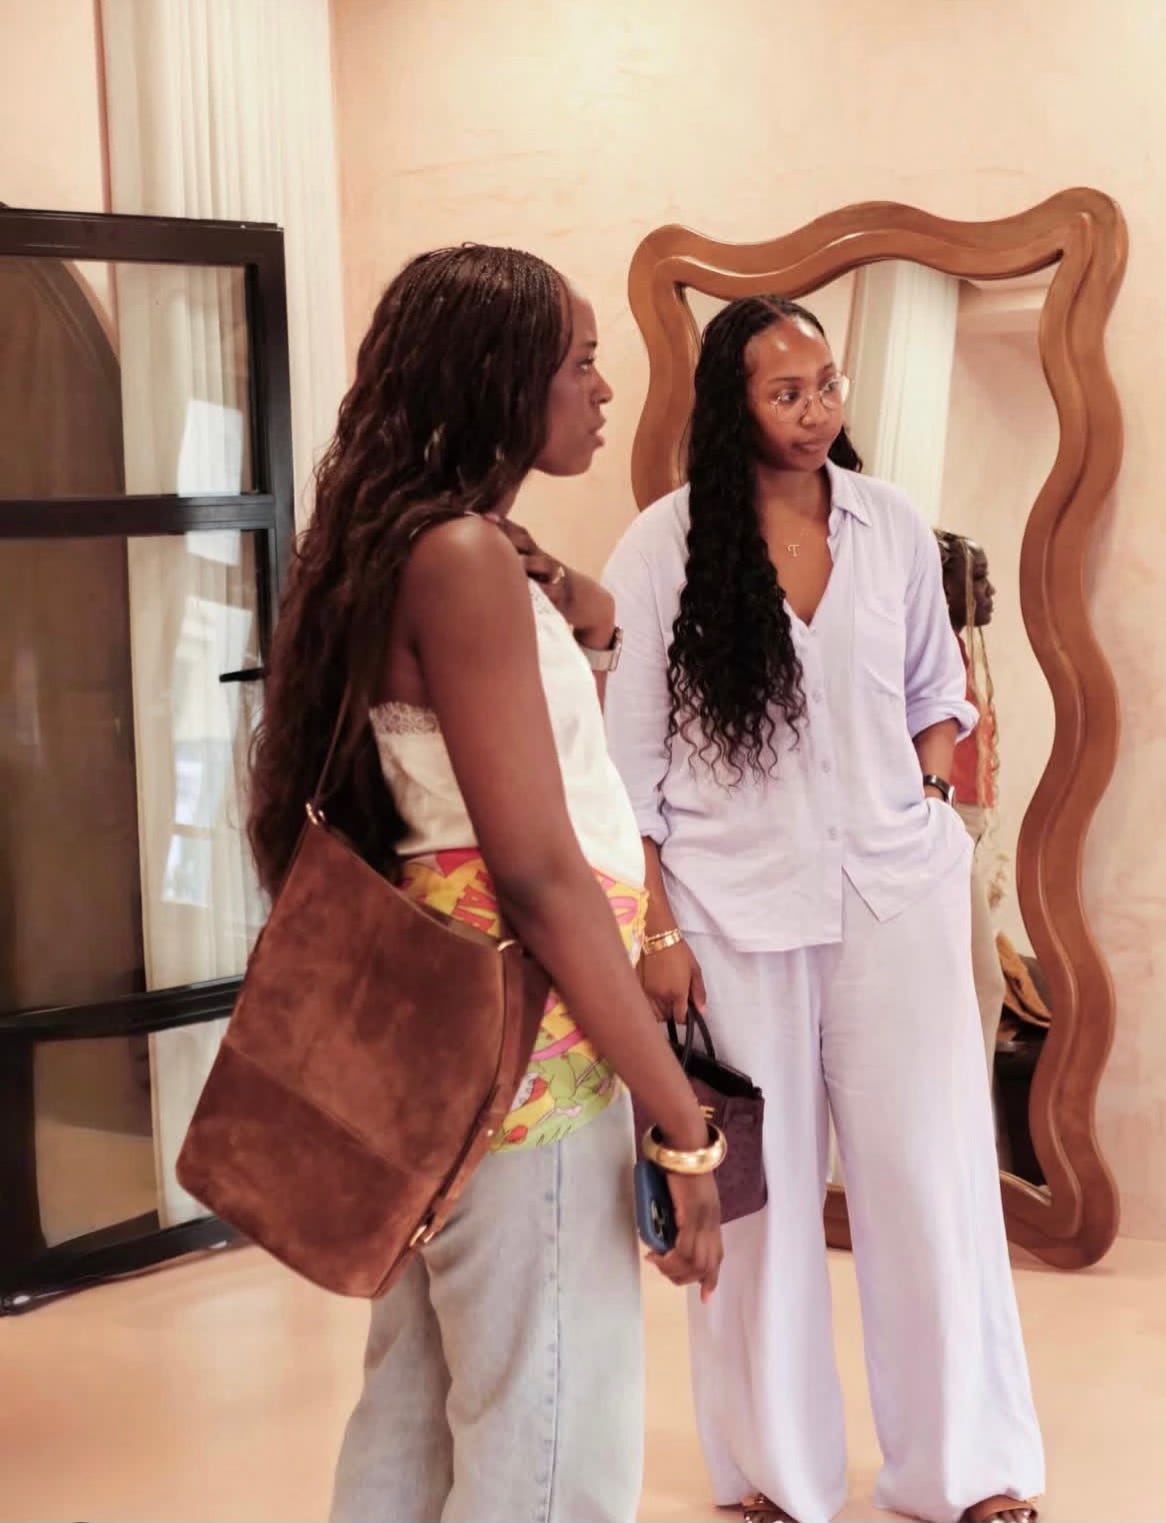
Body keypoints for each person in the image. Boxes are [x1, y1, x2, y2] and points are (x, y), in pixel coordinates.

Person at [246, 245, 724, 1523]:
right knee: (550, 1440)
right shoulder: (460, 556)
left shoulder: (424, 545)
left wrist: (587, 616)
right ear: (501, 380)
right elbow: (542, 871)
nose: (603, 388)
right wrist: (681, 1118)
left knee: (417, 1408)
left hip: (454, 1036)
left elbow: (549, 789)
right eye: (580, 362)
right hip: (527, 1040)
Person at [601, 295, 1044, 1523]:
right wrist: (656, 930)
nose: (815, 410)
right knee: (761, 1204)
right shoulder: (662, 548)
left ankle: (966, 1471)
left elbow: (936, 692)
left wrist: (934, 792)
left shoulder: (888, 522)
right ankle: (775, 1477)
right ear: (730, 406)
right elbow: (627, 767)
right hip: (731, 912)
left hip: (895, 895)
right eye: (785, 392)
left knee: (932, 1181)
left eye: (827, 383)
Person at [937, 528, 1009, 1075]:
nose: (989, 592)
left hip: (958, 828)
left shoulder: (955, 649)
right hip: (940, 828)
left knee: (976, 984)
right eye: (978, 579)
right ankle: (969, 1117)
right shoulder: (931, 652)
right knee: (985, 985)